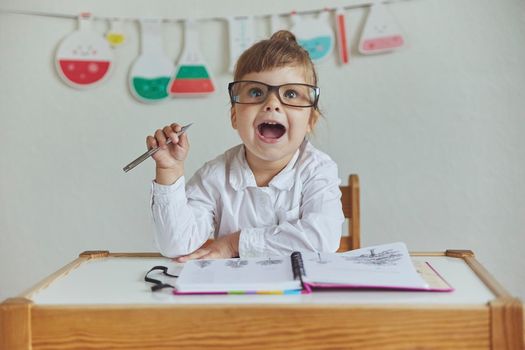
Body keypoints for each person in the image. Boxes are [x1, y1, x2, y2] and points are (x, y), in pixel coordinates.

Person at [147, 30, 344, 262]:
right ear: (234, 116)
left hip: (298, 296)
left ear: (310, 120)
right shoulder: (215, 175)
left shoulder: (318, 170)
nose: (272, 104)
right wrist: (169, 170)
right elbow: (176, 245)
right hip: (233, 296)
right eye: (256, 92)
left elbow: (322, 239)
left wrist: (233, 244)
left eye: (290, 93)